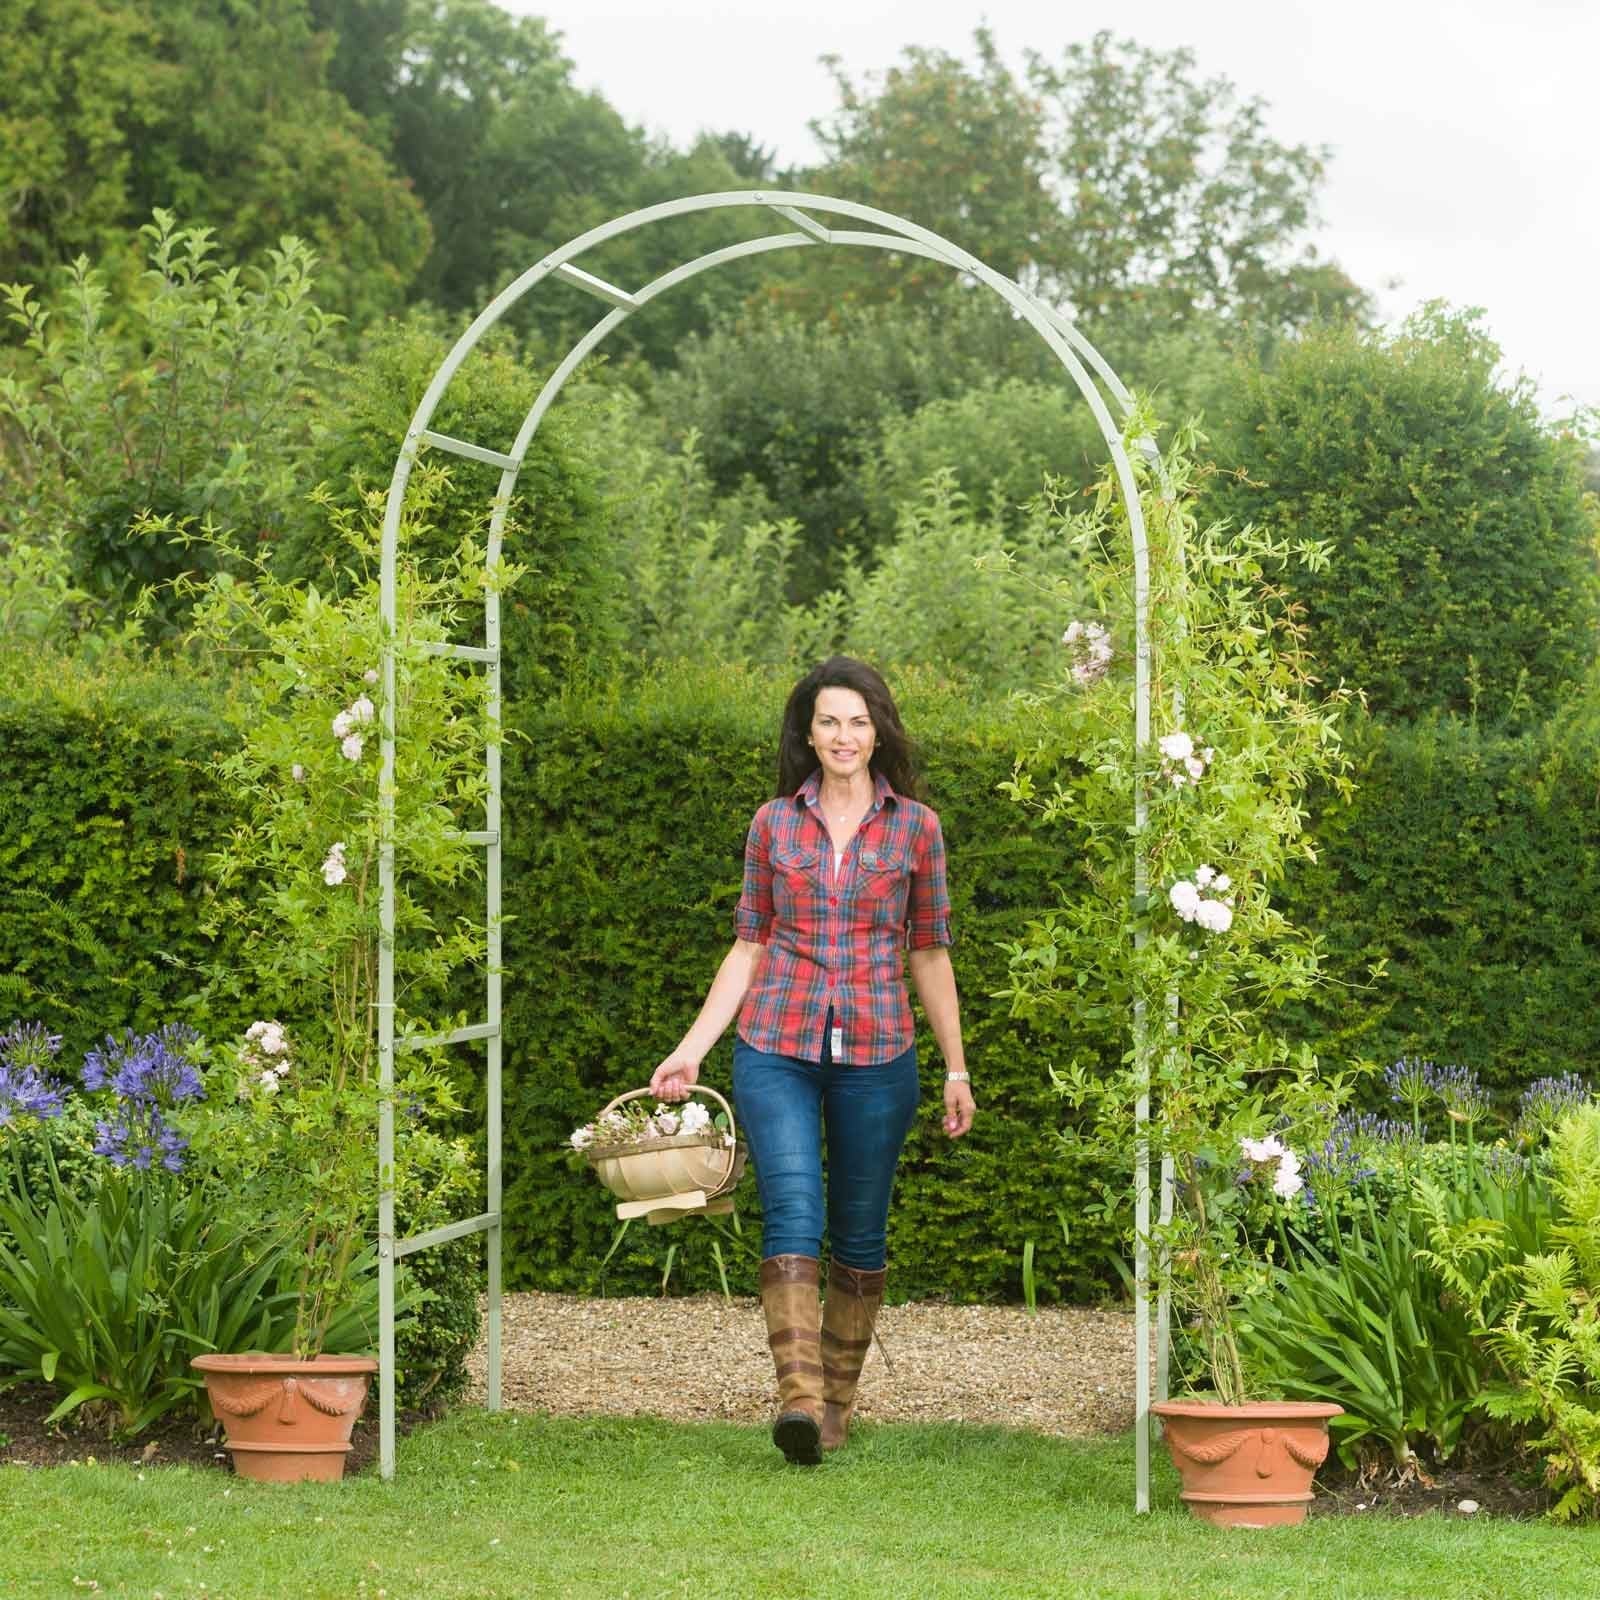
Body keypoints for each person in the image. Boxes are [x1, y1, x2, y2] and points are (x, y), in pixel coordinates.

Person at [649, 655, 975, 1466]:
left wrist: (956, 1068)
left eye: (859, 721)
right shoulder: (773, 825)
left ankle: (838, 1403)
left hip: (879, 1051)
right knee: (793, 1206)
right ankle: (797, 1396)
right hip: (777, 1045)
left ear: (879, 731)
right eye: (829, 720)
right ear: (807, 732)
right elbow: (749, 945)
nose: (843, 735)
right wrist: (690, 1051)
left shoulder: (916, 828)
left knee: (861, 1231)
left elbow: (930, 953)